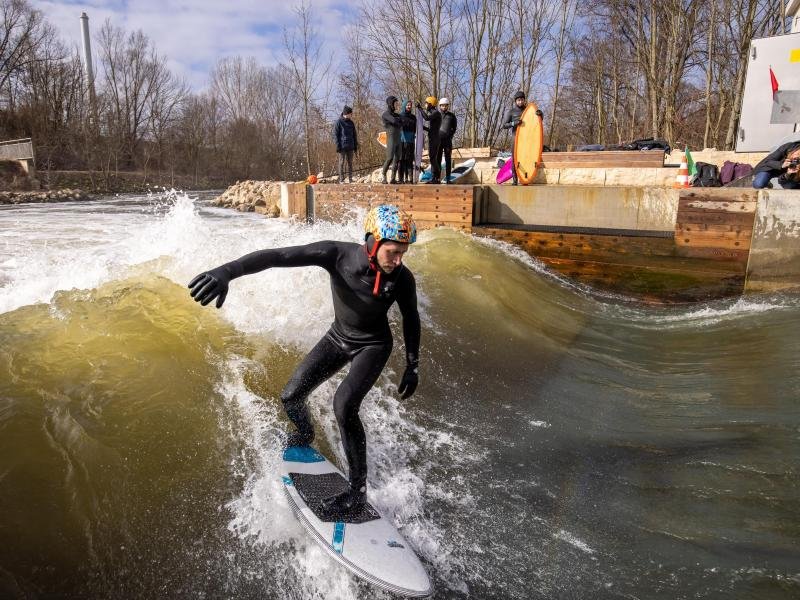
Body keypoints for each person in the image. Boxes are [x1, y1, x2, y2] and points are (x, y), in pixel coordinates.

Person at [188, 205, 421, 517]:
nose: (398, 261)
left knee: (344, 405)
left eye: (402, 253)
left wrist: (412, 364)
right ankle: (306, 434)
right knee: (291, 396)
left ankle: (357, 493)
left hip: (373, 346)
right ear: (373, 242)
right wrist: (226, 272)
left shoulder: (402, 278)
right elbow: (276, 257)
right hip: (338, 337)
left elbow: (411, 318)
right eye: (393, 252)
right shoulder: (336, 254)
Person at [501, 91, 527, 185]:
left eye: (522, 100)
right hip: (515, 137)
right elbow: (504, 125)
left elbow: (537, 120)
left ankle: (525, 179)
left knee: (526, 158)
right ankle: (515, 180)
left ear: (524, 100)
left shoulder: (528, 110)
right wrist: (514, 123)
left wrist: (540, 114)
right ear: (516, 101)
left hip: (527, 139)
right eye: (518, 100)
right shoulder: (511, 112)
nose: (520, 102)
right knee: (515, 159)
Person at [416, 96, 442, 183]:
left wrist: (420, 108)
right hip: (433, 138)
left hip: (435, 139)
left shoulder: (436, 113)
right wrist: (422, 127)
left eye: (426, 104)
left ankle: (437, 177)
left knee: (433, 159)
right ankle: (435, 178)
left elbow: (426, 118)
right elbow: (432, 129)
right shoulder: (434, 114)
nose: (425, 105)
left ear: (431, 104)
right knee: (432, 158)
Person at [333, 105, 358, 184]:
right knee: (341, 163)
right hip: (342, 146)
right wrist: (338, 145)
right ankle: (341, 179)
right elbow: (335, 135)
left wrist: (355, 145)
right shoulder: (339, 122)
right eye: (351, 114)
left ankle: (350, 179)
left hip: (350, 145)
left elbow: (354, 134)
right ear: (346, 113)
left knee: (350, 163)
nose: (351, 115)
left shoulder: (351, 123)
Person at [381, 96, 403, 184]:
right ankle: (383, 176)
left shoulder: (397, 115)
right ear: (391, 104)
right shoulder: (385, 114)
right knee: (389, 158)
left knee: (397, 158)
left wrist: (399, 120)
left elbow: (403, 121)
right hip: (391, 139)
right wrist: (399, 120)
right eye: (395, 103)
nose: (397, 105)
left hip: (398, 139)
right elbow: (394, 120)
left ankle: (393, 178)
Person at [436, 98, 457, 184]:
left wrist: (450, 136)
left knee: (448, 159)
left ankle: (448, 178)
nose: (444, 107)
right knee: (438, 159)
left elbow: (454, 128)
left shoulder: (452, 116)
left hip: (447, 141)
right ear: (440, 106)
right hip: (438, 140)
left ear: (448, 106)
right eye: (442, 105)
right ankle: (437, 178)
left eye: (446, 105)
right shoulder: (437, 115)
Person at [399, 99, 416, 184]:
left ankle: (410, 179)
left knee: (409, 160)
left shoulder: (413, 117)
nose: (409, 106)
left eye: (410, 105)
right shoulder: (400, 116)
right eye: (407, 105)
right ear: (404, 106)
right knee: (402, 160)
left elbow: (417, 128)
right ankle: (401, 179)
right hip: (402, 141)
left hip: (411, 141)